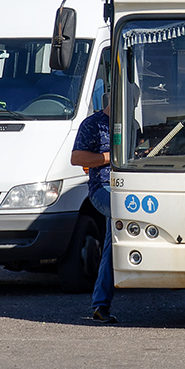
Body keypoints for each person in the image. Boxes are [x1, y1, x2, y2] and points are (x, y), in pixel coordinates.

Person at [70, 99, 117, 323]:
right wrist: (110, 157)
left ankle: (101, 304)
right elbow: (77, 158)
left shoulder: (133, 124)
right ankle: (101, 302)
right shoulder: (92, 124)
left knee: (114, 235)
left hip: (132, 186)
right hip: (102, 188)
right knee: (117, 222)